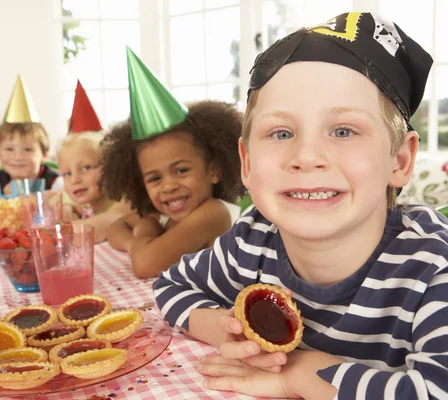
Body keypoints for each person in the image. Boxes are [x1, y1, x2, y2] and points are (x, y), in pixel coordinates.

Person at [153, 12, 442, 399]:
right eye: (281, 132)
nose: (306, 156)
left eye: (343, 130)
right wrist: (227, 328)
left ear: (400, 161)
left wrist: (300, 373)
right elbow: (171, 285)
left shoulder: (432, 270)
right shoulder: (250, 243)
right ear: (248, 163)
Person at [101, 47, 245, 278]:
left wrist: (146, 231)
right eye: (155, 178)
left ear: (214, 170)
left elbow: (145, 265)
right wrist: (136, 242)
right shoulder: (168, 211)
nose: (168, 186)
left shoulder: (214, 213)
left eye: (181, 170)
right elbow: (115, 228)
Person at [57, 80, 131, 242]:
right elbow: (54, 197)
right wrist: (67, 208)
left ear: (110, 167)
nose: (75, 179)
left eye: (85, 168)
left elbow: (88, 232)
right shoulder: (84, 196)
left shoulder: (124, 200)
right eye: (67, 173)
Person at [0, 75, 58, 194]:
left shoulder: (56, 183)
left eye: (27, 149)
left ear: (44, 155)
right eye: (9, 149)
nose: (18, 157)